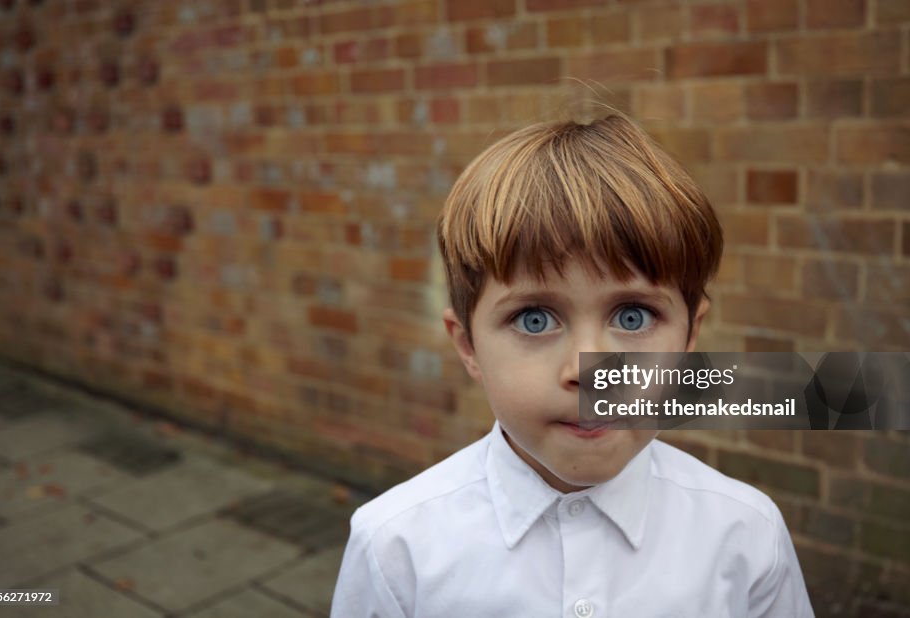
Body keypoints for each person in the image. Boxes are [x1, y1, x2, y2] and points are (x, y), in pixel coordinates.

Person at [330, 112, 814, 617]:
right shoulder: (394, 547)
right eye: (535, 319)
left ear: (690, 337)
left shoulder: (748, 536)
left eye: (633, 316)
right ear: (468, 345)